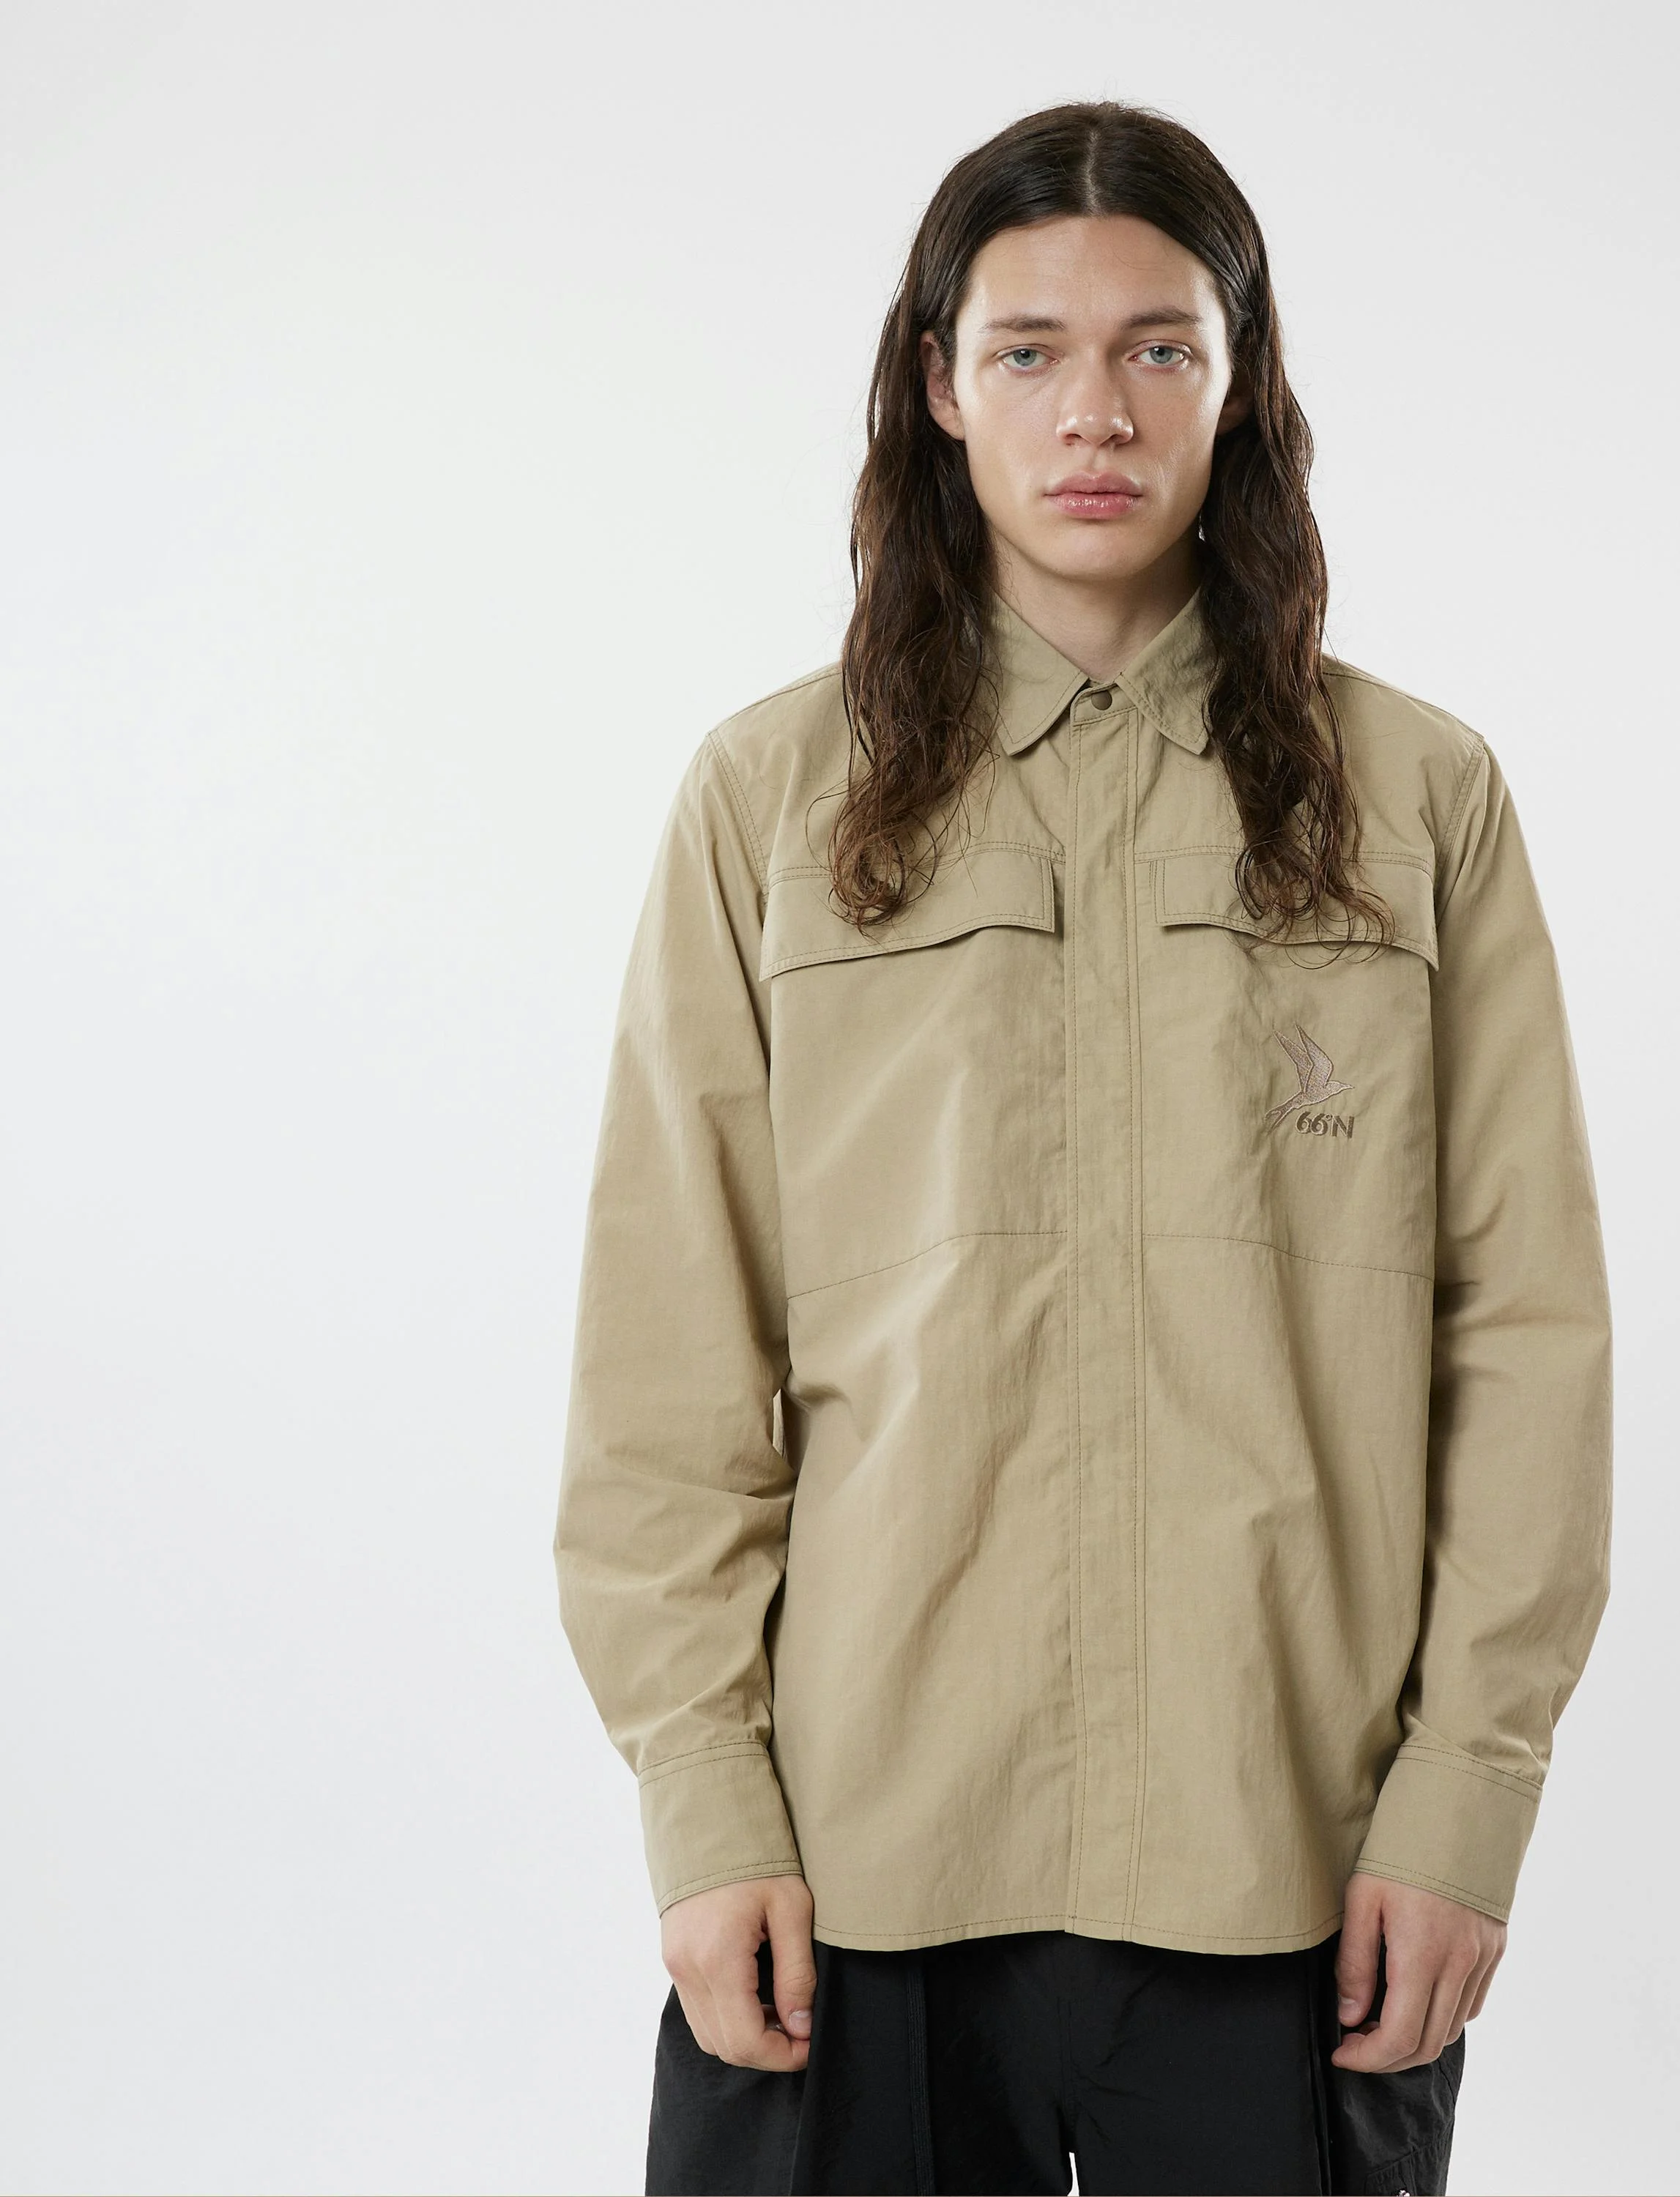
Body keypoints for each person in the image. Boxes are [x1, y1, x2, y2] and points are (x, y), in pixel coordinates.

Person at [553, 98, 1614, 2197]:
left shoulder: (1418, 801)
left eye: (1159, 346)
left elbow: (1524, 1337)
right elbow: (671, 1352)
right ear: (939, 386)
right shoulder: (771, 804)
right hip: (852, 1874)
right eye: (1028, 349)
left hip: (1290, 1872)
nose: (1096, 412)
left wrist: (1465, 1798)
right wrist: (704, 1798)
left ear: (1242, 380)